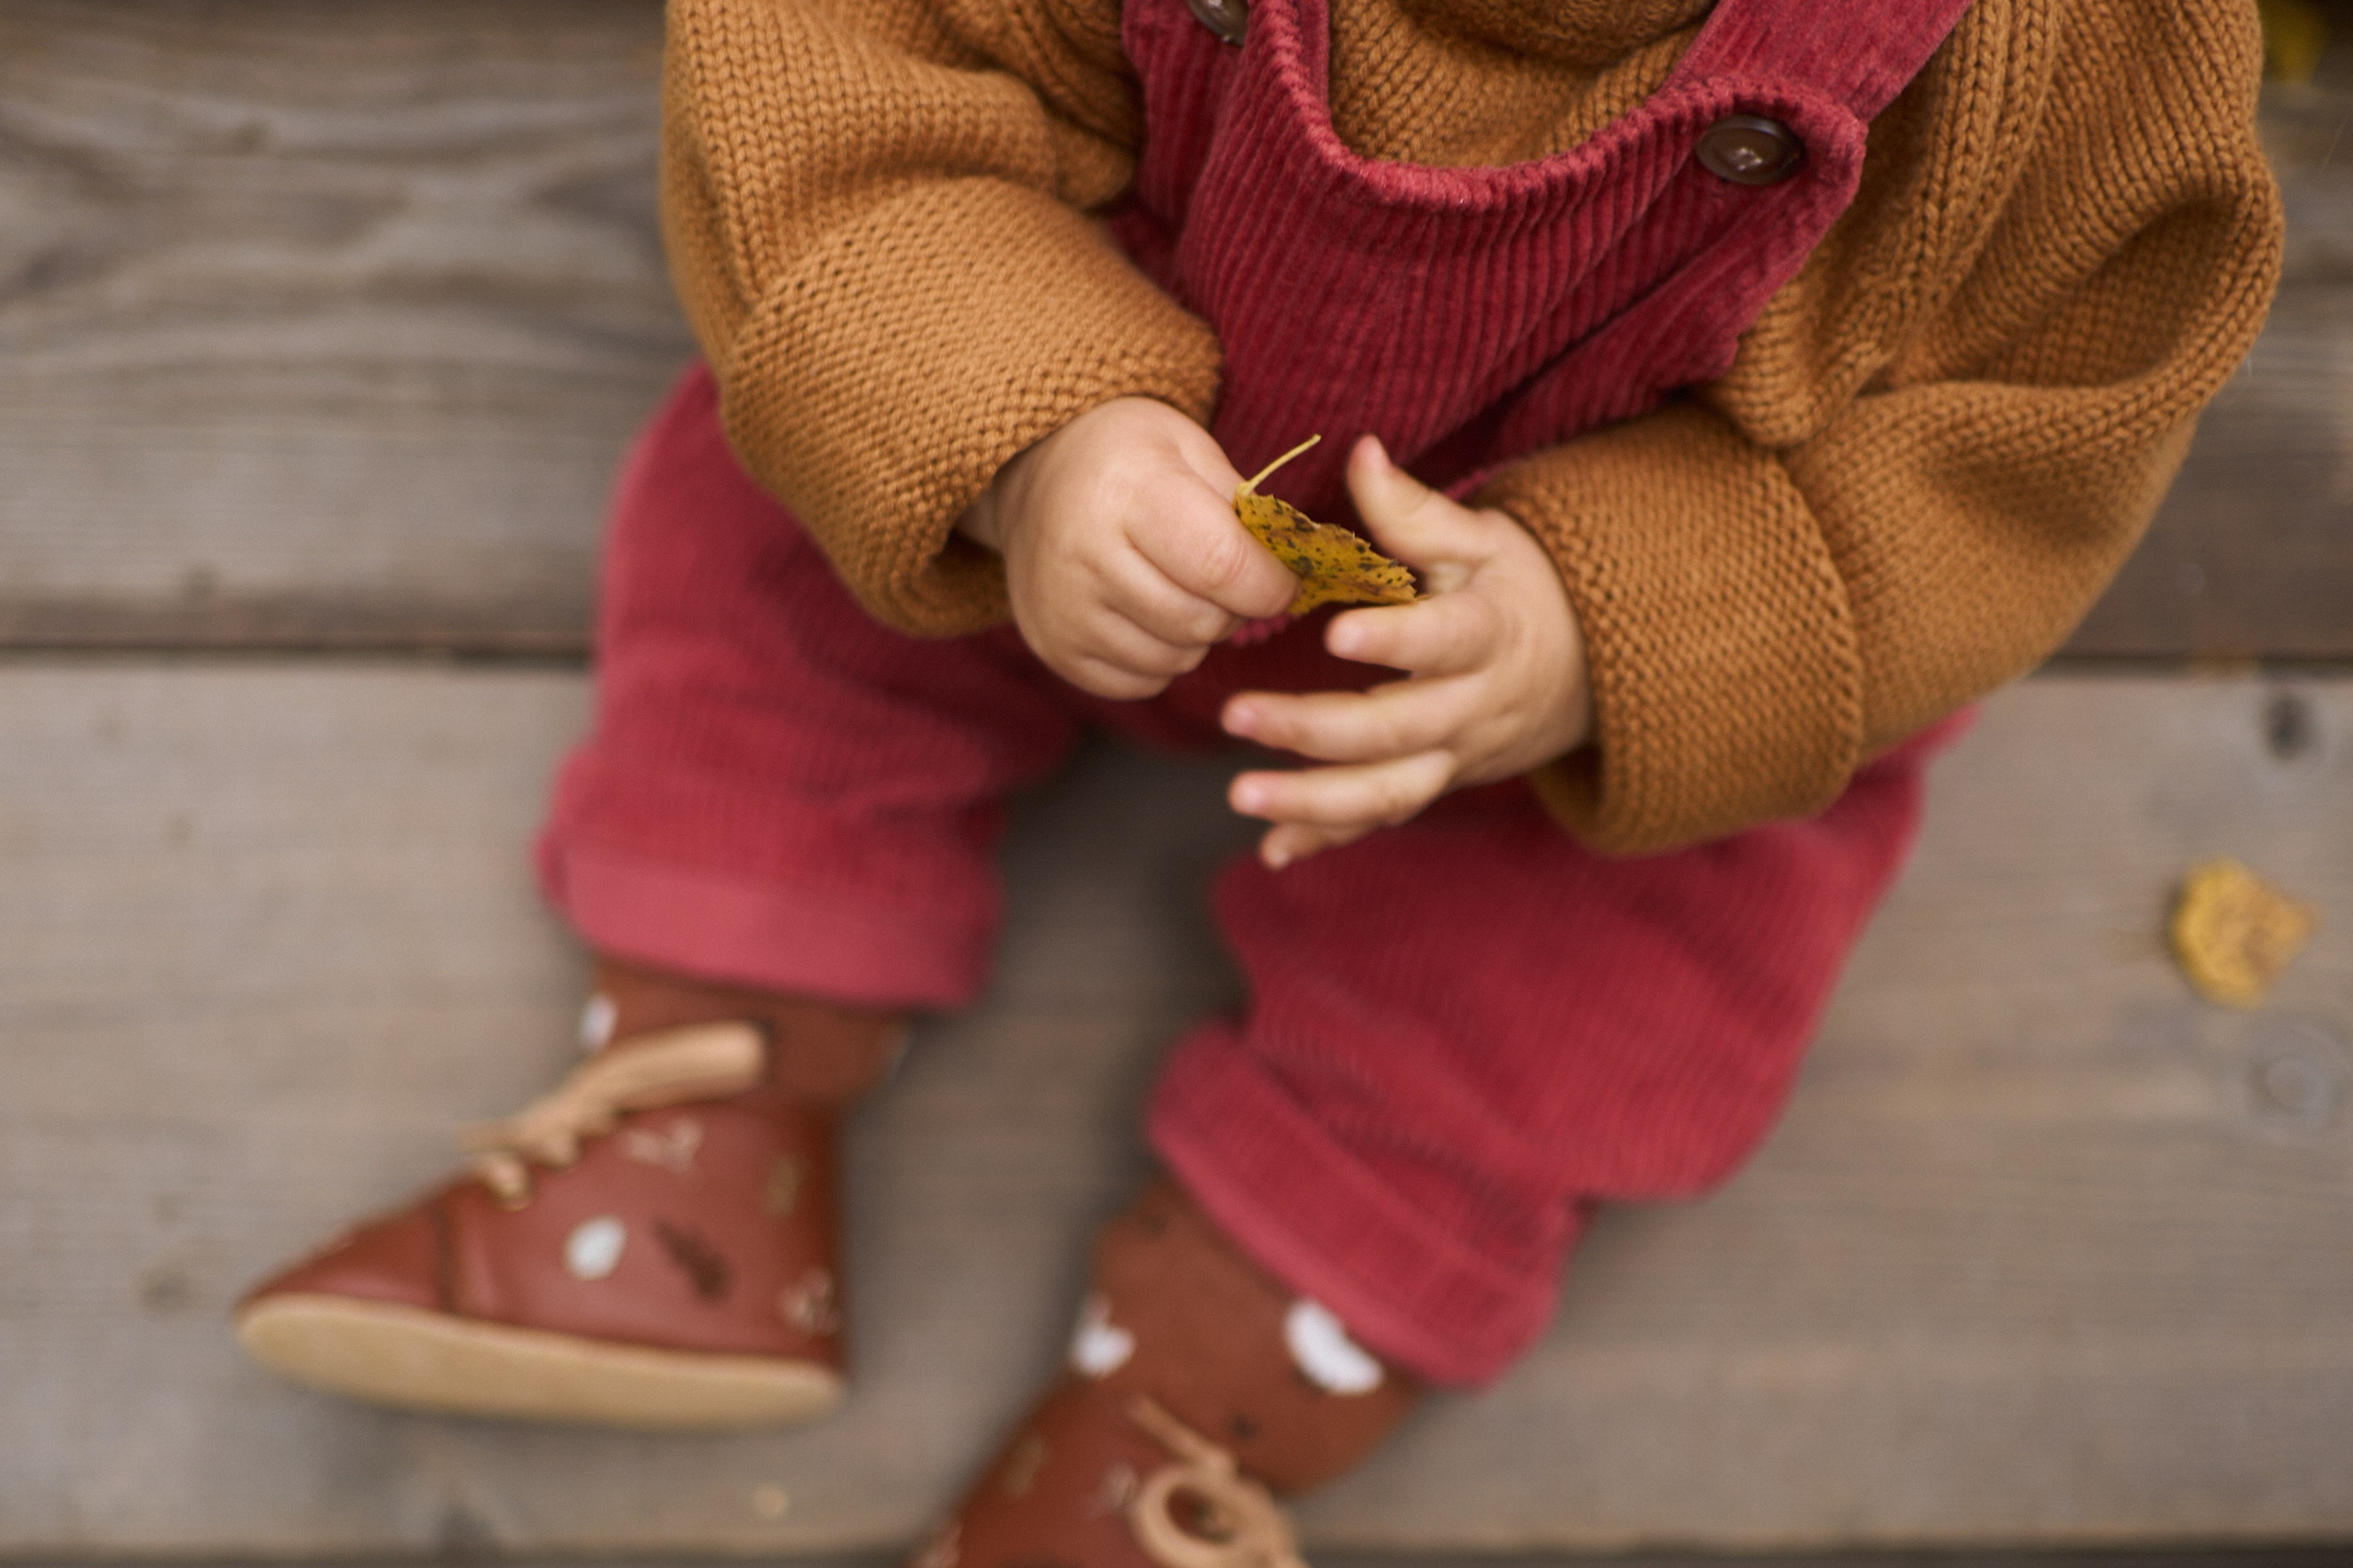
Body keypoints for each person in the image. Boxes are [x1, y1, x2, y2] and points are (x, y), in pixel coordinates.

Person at [234, 0, 2281, 1560]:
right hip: (1073, 412)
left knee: (1625, 950)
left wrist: (1610, 630)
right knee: (783, 521)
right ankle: (699, 1135)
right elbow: (847, 92)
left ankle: (1200, 1398)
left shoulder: (2065, 56)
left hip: (1558, 658)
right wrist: (1021, 424)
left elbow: (2027, 432)